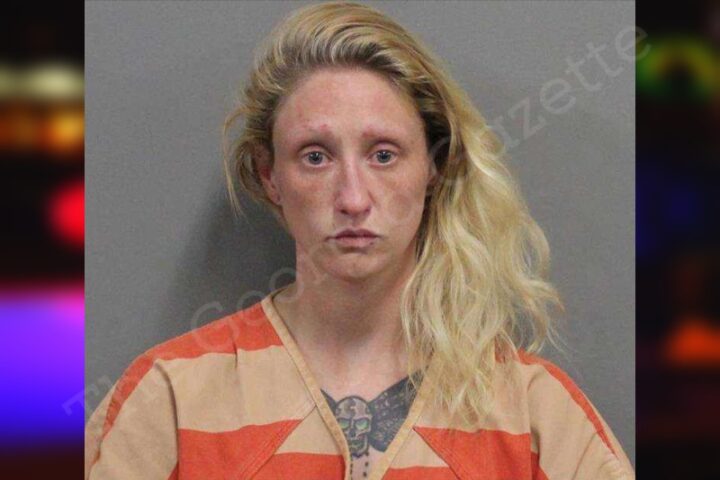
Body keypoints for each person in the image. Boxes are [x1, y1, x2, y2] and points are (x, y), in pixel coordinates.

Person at [85, 2, 635, 479]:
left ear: (434, 167)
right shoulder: (170, 400)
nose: (352, 198)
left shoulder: (535, 414)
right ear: (270, 176)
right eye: (315, 157)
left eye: (384, 155)